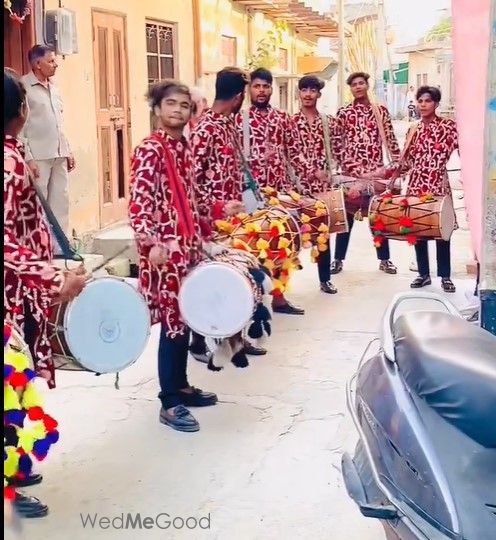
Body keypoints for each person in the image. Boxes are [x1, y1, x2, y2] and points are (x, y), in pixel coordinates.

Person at [4, 68, 86, 516]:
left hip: (18, 293)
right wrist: (55, 278)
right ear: (21, 111)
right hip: (8, 298)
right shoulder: (7, 161)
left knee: (15, 387)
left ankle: (14, 465)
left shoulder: (15, 153)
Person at [128, 80, 219, 432]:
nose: (178, 110)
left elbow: (192, 197)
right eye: (171, 104)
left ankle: (180, 385)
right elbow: (139, 201)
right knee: (172, 323)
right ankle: (169, 402)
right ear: (156, 109)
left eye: (184, 105)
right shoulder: (150, 149)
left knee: (185, 317)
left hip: (188, 249)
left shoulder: (186, 147)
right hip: (164, 254)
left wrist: (210, 223)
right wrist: (150, 243)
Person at [190, 67, 268, 354]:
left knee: (233, 278)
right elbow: (192, 181)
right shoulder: (205, 128)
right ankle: (197, 340)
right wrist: (212, 210)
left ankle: (235, 337)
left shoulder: (229, 126)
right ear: (238, 97)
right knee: (206, 281)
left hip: (232, 221)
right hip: (209, 221)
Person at [234, 67, 304, 314]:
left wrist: (306, 184)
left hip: (278, 191)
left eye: (266, 86)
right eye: (257, 86)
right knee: (251, 246)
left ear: (272, 89)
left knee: (281, 243)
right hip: (248, 195)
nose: (261, 91)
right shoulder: (238, 118)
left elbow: (294, 154)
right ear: (249, 89)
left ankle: (279, 298)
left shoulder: (283, 118)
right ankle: (249, 300)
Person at [331, 71, 401, 275]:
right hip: (351, 176)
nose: (358, 87)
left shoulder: (380, 112)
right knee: (346, 219)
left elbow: (390, 141)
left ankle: (385, 260)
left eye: (361, 83)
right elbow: (338, 145)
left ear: (367, 86)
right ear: (350, 89)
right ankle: (338, 260)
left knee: (379, 219)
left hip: (376, 174)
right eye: (354, 84)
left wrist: (397, 166)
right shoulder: (343, 113)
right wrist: (354, 169)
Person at [394, 86, 459, 293]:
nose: (423, 105)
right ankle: (423, 274)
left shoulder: (449, 127)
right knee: (418, 230)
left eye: (427, 101)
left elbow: (466, 149)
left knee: (442, 230)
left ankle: (445, 276)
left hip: (439, 184)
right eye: (420, 101)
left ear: (436, 104)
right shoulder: (413, 129)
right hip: (416, 185)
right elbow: (406, 161)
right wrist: (393, 172)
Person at [291, 75, 340, 294]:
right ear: (298, 93)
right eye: (304, 90)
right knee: (290, 234)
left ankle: (325, 279)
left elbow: (339, 150)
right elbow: (287, 154)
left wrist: (332, 173)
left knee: (323, 232)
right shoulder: (289, 122)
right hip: (295, 188)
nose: (308, 94)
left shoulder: (329, 122)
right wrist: (309, 172)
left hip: (322, 189)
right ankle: (281, 286)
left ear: (319, 94)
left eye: (312, 90)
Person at [21, 45, 74, 237]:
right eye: (51, 61)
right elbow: (21, 127)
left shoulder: (54, 88)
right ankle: (39, 245)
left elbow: (59, 121)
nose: (55, 65)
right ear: (37, 64)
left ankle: (62, 247)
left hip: (59, 154)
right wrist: (28, 158)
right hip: (39, 156)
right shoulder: (24, 87)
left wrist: (68, 150)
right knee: (39, 203)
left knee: (61, 201)